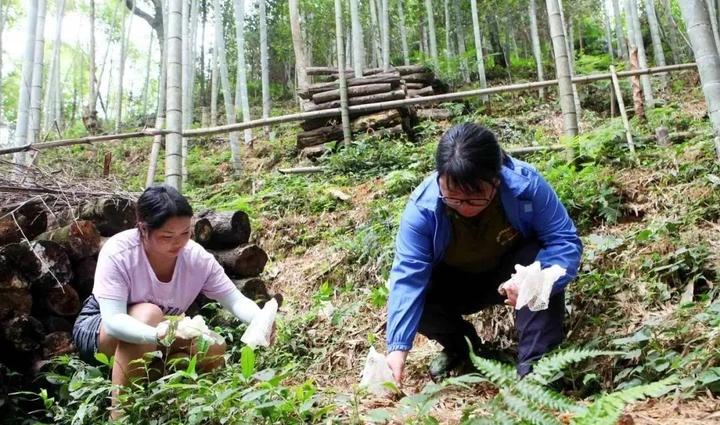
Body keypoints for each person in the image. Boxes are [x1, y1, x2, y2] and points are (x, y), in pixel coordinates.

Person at [384, 123, 582, 383]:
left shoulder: (527, 186)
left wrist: (537, 279)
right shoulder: (423, 209)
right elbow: (407, 277)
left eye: (474, 197)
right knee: (419, 298)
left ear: (496, 180)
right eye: (453, 197)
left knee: (541, 271)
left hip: (511, 276)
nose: (464, 207)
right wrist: (397, 349)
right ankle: (465, 349)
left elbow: (564, 241)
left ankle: (536, 372)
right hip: (455, 284)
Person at [72, 185, 269, 417]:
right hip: (100, 329)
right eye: (167, 236)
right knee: (148, 315)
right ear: (143, 229)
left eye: (185, 233)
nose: (179, 243)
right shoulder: (119, 252)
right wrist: (157, 334)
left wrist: (261, 319)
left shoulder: (197, 259)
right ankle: (119, 414)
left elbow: (235, 301)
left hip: (162, 330)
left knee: (214, 346)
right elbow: (114, 321)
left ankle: (174, 403)